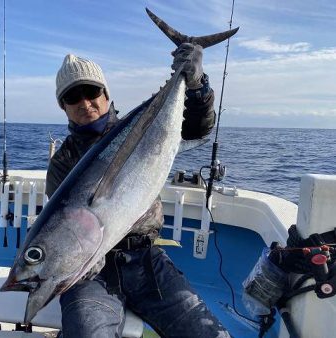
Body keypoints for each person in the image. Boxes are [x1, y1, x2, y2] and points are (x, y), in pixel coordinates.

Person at [46, 44, 230, 338]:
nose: (85, 102)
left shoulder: (144, 128)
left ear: (106, 95)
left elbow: (198, 127)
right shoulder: (62, 162)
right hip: (92, 271)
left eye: (92, 92)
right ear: (63, 106)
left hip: (146, 259)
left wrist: (196, 85)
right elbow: (66, 227)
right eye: (72, 96)